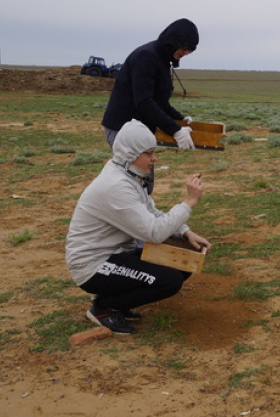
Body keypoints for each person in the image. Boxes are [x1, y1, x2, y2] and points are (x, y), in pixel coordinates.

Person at [65, 119, 211, 335]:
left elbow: (151, 212)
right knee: (169, 281)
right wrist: (189, 201)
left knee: (183, 262)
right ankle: (105, 307)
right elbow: (154, 232)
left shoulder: (128, 174)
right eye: (149, 153)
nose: (154, 158)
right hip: (93, 264)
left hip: (117, 254)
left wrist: (185, 232)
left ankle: (118, 302)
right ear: (131, 154)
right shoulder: (116, 186)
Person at [101, 18, 200, 194]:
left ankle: (140, 220)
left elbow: (159, 102)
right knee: (134, 188)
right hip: (122, 130)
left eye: (190, 51)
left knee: (143, 186)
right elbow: (144, 101)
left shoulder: (162, 60)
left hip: (138, 131)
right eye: (184, 48)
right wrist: (175, 130)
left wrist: (179, 119)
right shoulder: (146, 56)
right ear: (173, 41)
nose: (186, 53)